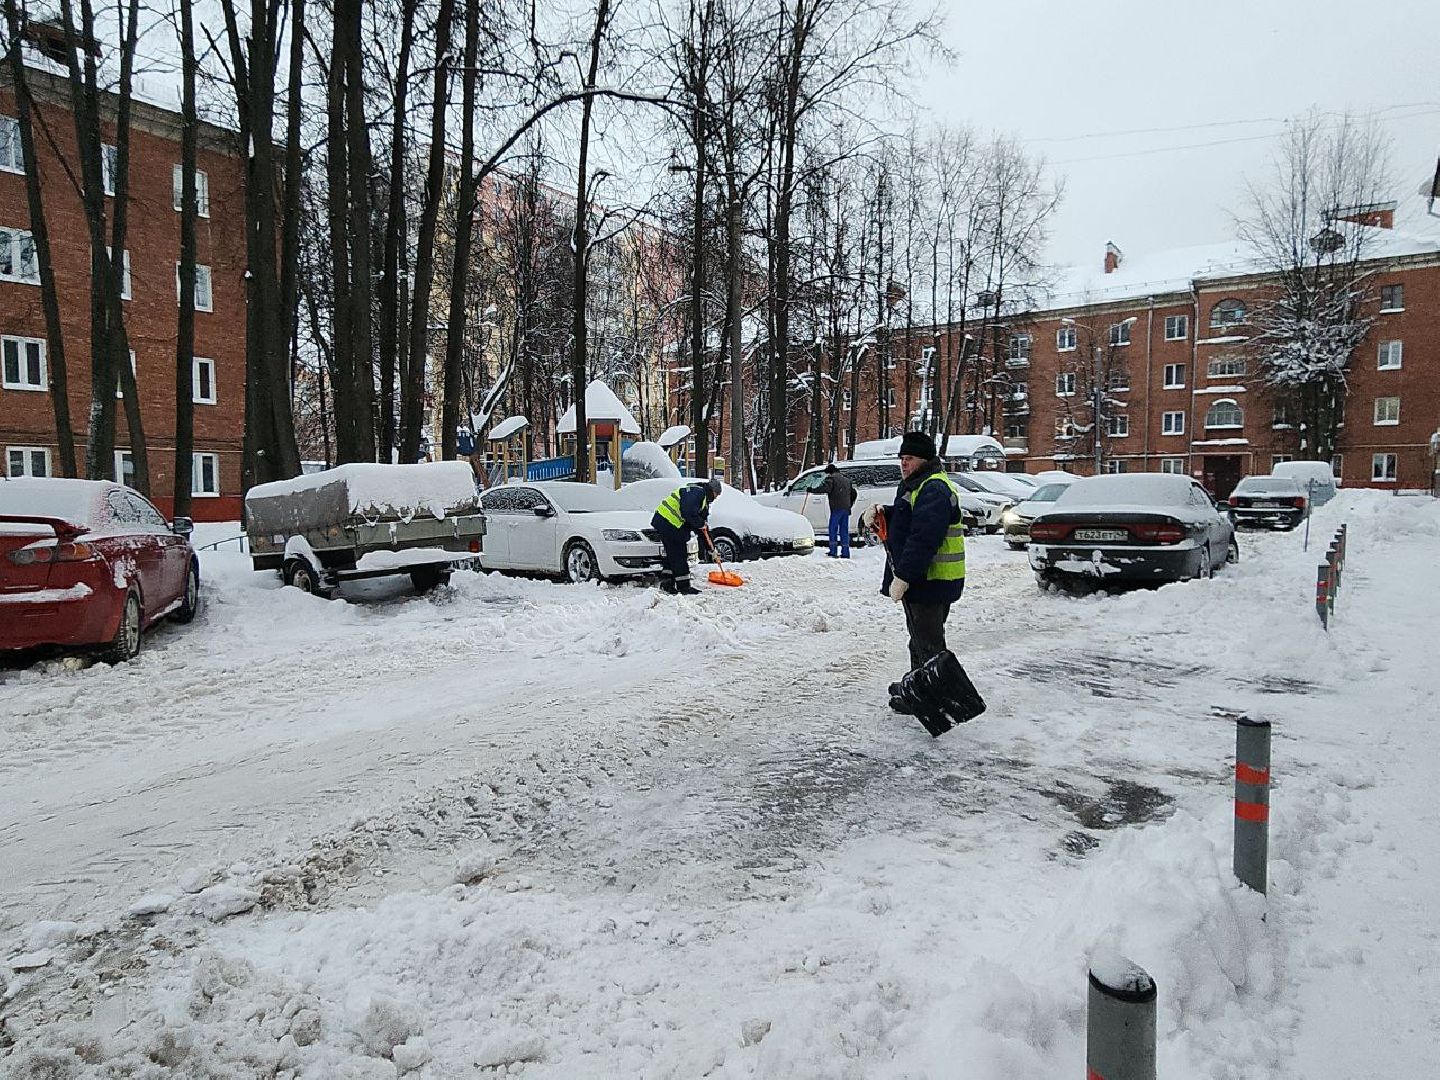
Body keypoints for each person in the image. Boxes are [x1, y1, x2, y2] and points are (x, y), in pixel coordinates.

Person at [877, 431, 966, 671]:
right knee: (919, 640)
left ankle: (936, 695)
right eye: (902, 457)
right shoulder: (917, 485)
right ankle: (920, 687)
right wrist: (885, 513)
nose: (904, 463)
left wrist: (904, 577)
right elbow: (912, 519)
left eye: (911, 457)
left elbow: (923, 538)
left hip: (932, 580)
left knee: (928, 645)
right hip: (924, 580)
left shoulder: (933, 488)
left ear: (925, 460)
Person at [652, 477, 721, 594]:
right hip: (668, 523)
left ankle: (666, 583)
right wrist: (700, 523)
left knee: (672, 555)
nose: (716, 497)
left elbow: (702, 529)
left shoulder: (702, 499)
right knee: (679, 555)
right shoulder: (697, 493)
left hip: (665, 523)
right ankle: (684, 587)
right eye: (716, 494)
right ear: (712, 490)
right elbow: (688, 512)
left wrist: (711, 550)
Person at [819, 463, 857, 558]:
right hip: (846, 508)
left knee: (833, 529)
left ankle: (833, 551)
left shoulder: (831, 479)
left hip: (836, 508)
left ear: (830, 472)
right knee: (844, 530)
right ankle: (845, 552)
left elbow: (825, 489)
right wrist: (850, 503)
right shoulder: (847, 480)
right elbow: (854, 493)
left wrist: (811, 489)